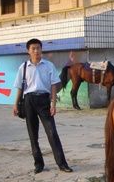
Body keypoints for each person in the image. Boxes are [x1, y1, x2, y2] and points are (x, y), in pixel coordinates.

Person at [13, 38, 73, 174]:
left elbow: (53, 86)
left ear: (41, 49)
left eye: (38, 48)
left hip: (44, 101)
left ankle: (62, 164)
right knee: (33, 135)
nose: (36, 51)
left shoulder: (48, 65)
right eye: (33, 48)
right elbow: (19, 88)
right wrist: (15, 104)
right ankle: (38, 164)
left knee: (52, 133)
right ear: (28, 51)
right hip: (28, 101)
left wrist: (53, 104)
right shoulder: (23, 67)